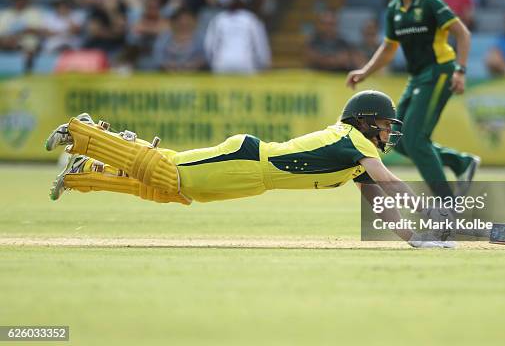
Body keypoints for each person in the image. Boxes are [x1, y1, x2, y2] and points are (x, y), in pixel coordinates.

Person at [44, 90, 455, 249]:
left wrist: (413, 238)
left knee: (176, 189)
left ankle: (85, 174)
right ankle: (82, 133)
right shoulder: (354, 140)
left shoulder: (358, 155)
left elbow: (379, 199)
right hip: (245, 159)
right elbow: (391, 182)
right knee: (169, 172)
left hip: (252, 181)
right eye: (384, 125)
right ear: (366, 122)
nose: (387, 133)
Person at [346, 0, 478, 199]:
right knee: (399, 140)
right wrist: (365, 71)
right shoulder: (394, 9)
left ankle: (446, 203)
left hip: (440, 71)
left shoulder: (429, 2)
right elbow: (388, 48)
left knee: (416, 139)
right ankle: (461, 163)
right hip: (418, 77)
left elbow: (463, 34)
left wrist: (460, 70)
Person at [204, 0, 270, 74]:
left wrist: (212, 63)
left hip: (222, 63)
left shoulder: (218, 20)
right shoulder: (251, 19)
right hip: (245, 63)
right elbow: (260, 44)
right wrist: (263, 63)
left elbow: (209, 46)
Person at [152, 7, 206, 72]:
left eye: (187, 20)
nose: (184, 22)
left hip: (197, 74)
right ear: (174, 21)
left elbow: (205, 56)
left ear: (194, 21)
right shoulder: (164, 37)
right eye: (180, 19)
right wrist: (167, 66)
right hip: (167, 73)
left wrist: (194, 65)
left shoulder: (201, 37)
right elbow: (158, 56)